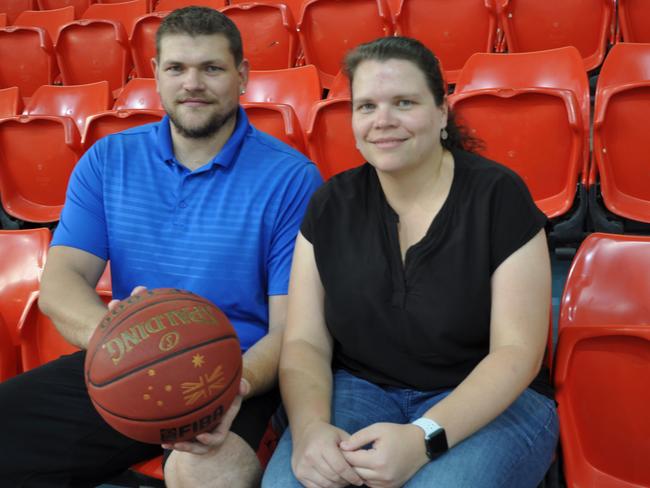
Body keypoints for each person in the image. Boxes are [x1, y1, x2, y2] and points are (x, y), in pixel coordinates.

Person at [0, 7, 322, 488]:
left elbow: (291, 327)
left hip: (236, 372)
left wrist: (230, 388)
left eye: (211, 68)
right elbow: (60, 285)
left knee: (206, 474)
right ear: (156, 75)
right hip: (126, 362)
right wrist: (126, 345)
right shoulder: (108, 159)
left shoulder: (291, 179)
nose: (193, 83)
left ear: (242, 76)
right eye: (177, 68)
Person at [262, 36, 559, 488]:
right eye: (366, 106)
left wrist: (423, 438)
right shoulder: (330, 204)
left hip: (488, 399)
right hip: (361, 388)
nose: (383, 121)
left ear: (442, 112)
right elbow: (305, 342)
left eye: (404, 102)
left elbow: (515, 353)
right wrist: (308, 432)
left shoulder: (499, 197)